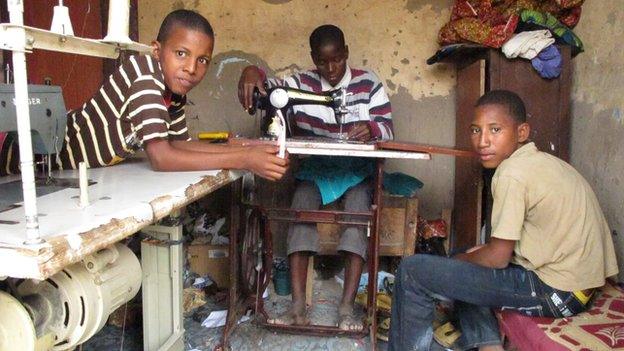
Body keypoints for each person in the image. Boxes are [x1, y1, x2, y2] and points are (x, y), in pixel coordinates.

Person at [388, 90, 618, 351]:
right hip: (579, 287)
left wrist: (459, 262)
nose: (483, 141)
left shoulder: (511, 174)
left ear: (521, 132)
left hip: (557, 293)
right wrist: (467, 258)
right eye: (476, 130)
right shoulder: (546, 162)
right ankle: (488, 345)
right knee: (465, 256)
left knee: (413, 271)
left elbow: (497, 258)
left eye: (495, 130)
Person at [1, 9, 288, 180]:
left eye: (202, 60)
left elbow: (179, 144)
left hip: (61, 171)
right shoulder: (144, 73)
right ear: (156, 50)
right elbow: (161, 158)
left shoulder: (173, 91)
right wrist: (244, 160)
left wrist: (241, 148)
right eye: (181, 54)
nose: (190, 68)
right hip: (20, 162)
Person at [237, 24, 393, 331]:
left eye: (337, 60)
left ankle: (346, 307)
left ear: (346, 53)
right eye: (323, 62)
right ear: (313, 59)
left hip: (355, 171)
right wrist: (250, 71)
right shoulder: (300, 83)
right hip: (317, 169)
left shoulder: (368, 83)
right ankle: (297, 306)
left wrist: (372, 130)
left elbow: (387, 129)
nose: (331, 69)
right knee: (300, 207)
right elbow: (268, 89)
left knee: (358, 213)